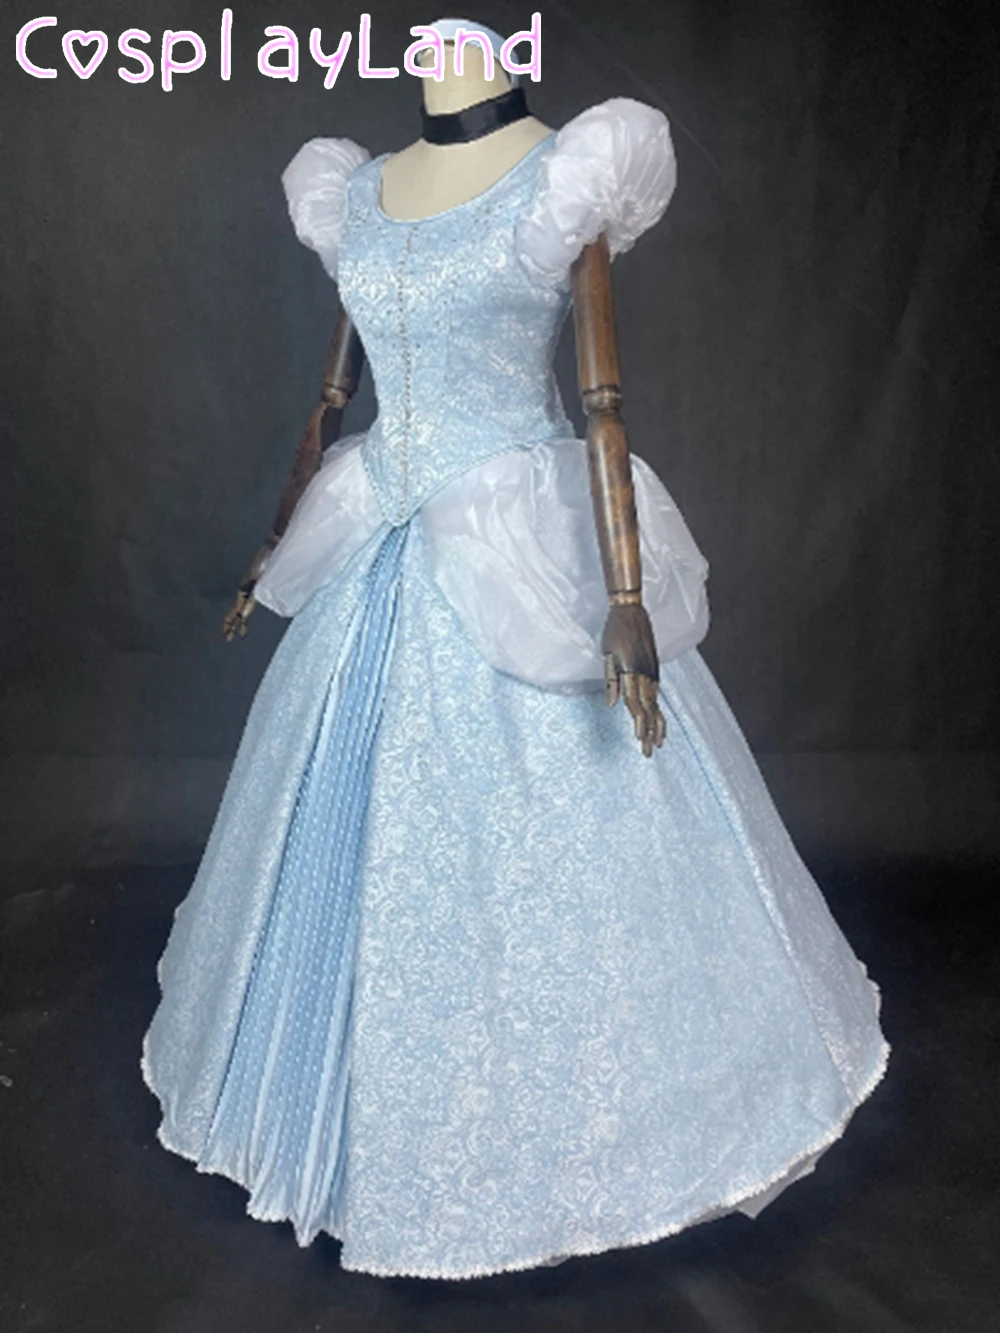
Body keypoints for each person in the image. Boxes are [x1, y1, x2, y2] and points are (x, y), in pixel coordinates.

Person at [141, 18, 890, 1281]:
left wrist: (627, 598)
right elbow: (335, 394)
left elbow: (603, 400)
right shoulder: (351, 194)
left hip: (508, 538)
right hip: (380, 525)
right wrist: (275, 545)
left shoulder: (563, 176)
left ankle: (589, 1127)